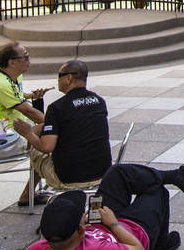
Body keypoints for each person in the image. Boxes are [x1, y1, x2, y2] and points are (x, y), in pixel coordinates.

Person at [17, 156, 184, 250]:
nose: (84, 214)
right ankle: (161, 245)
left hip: (100, 225)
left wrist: (92, 223)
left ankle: (177, 176)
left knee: (117, 173)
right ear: (81, 230)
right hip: (131, 231)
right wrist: (113, 224)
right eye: (81, 216)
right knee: (156, 191)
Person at [13, 59, 111, 191]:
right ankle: (26, 196)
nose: (57, 81)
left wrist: (28, 133)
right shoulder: (99, 101)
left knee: (35, 150)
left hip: (70, 178)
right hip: (103, 173)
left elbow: (46, 147)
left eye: (59, 76)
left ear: (69, 78)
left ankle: (28, 195)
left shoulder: (57, 108)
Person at [0, 42, 52, 205]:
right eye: (25, 57)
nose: (28, 59)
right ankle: (31, 193)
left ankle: (28, 194)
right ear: (12, 62)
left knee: (46, 137)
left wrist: (30, 95)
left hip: (11, 133)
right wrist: (57, 122)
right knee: (49, 134)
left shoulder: (11, 77)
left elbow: (17, 96)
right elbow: (29, 112)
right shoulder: (1, 85)